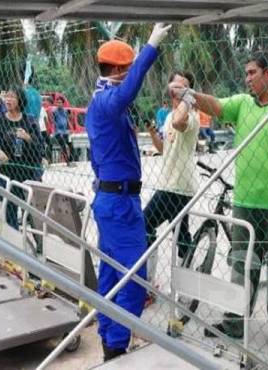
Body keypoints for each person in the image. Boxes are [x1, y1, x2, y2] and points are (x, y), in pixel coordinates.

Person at [170, 51, 268, 348]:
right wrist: (190, 94)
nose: (247, 79)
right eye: (246, 73)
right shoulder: (242, 105)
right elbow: (215, 105)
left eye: (253, 73)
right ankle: (234, 321)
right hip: (245, 202)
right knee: (242, 264)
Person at [86, 23, 171, 361]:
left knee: (110, 274)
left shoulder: (100, 101)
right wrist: (150, 47)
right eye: (129, 67)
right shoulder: (108, 101)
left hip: (113, 199)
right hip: (119, 203)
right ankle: (118, 347)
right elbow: (129, 91)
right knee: (134, 279)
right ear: (120, 69)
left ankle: (110, 337)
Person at [144, 71, 199, 287]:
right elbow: (163, 148)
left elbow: (179, 124)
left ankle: (149, 282)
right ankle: (190, 281)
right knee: (181, 235)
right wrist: (151, 133)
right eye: (174, 85)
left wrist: (187, 100)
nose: (176, 90)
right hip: (171, 184)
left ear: (190, 92)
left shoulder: (191, 117)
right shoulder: (168, 116)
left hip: (177, 186)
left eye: (182, 87)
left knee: (144, 223)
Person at [0, 86, 43, 227]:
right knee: (10, 211)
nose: (8, 99)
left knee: (31, 212)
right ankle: (13, 243)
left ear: (20, 100)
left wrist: (27, 137)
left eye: (12, 96)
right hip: (8, 172)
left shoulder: (30, 121)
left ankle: (38, 244)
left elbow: (41, 147)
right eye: (7, 96)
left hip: (28, 172)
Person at [53, 98, 74, 165]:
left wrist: (70, 129)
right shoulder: (55, 112)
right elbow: (53, 121)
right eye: (58, 103)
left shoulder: (65, 111)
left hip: (65, 132)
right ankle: (67, 162)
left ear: (63, 103)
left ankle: (71, 160)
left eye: (60, 103)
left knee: (71, 145)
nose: (59, 104)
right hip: (58, 132)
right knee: (63, 145)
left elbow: (67, 120)